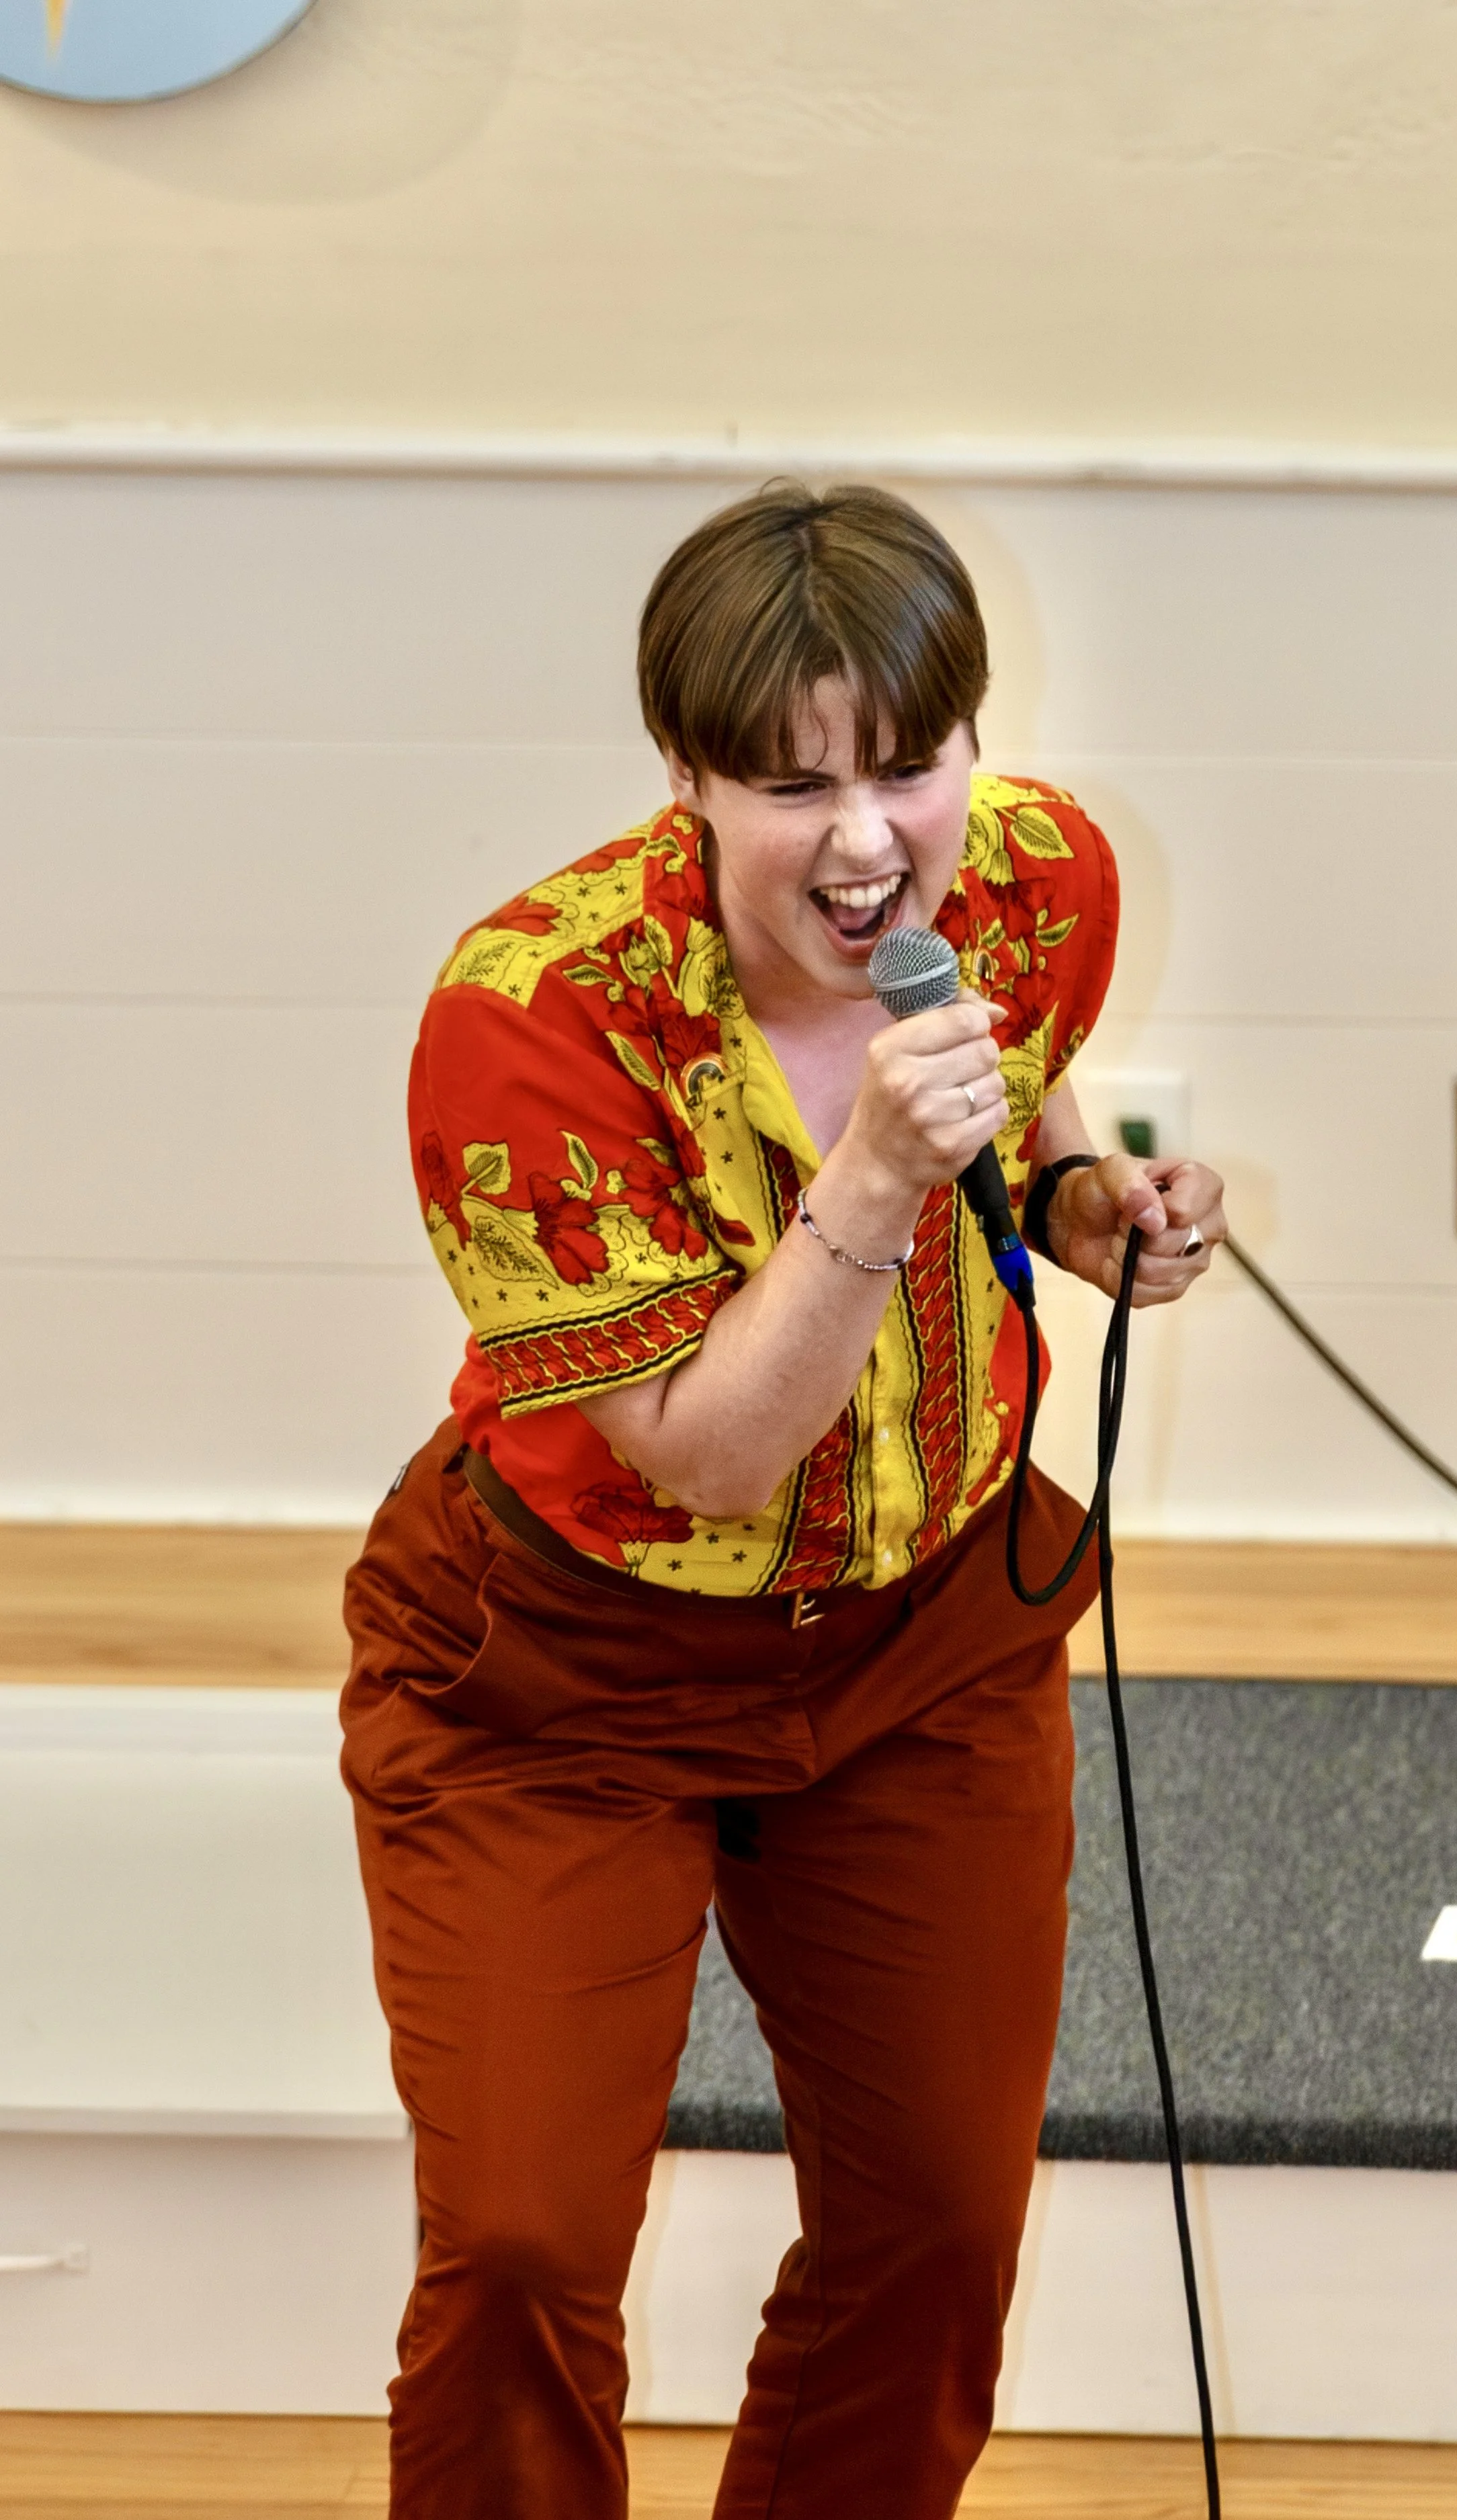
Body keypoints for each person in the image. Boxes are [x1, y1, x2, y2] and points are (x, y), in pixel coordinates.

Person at [341, 480, 1226, 2520]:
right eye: (786, 783)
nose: (863, 842)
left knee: (934, 2228)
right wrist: (875, 1183)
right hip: (561, 1681)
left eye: (907, 767)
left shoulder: (1039, 872)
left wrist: (1091, 1204)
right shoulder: (530, 1018)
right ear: (683, 775)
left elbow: (1023, 1064)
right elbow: (706, 1452)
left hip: (924, 1648)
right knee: (526, 2253)